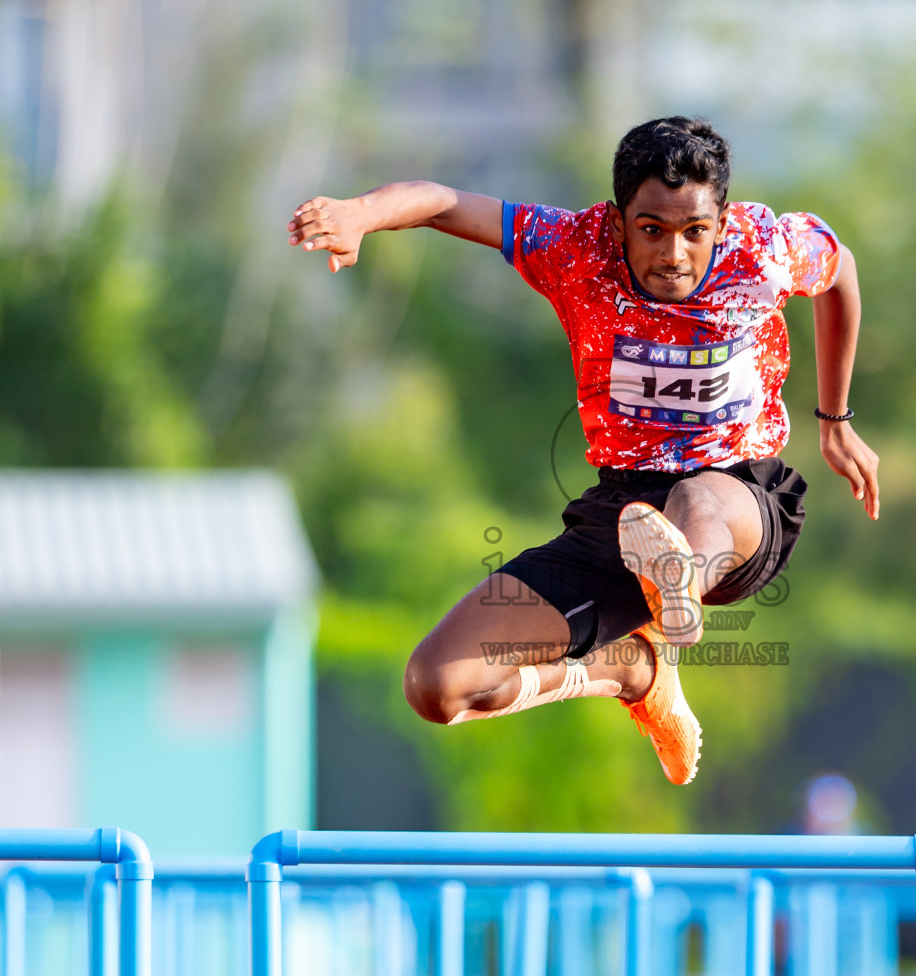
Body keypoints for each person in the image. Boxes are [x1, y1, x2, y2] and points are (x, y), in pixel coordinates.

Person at [287, 117, 879, 785]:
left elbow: (841, 271)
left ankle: (679, 576)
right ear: (619, 219)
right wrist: (359, 214)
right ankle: (629, 668)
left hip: (742, 497)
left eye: (695, 232)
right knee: (438, 686)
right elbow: (443, 202)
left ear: (721, 220)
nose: (675, 255)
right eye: (652, 230)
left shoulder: (763, 248)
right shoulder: (575, 248)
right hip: (621, 511)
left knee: (692, 500)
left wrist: (836, 419)